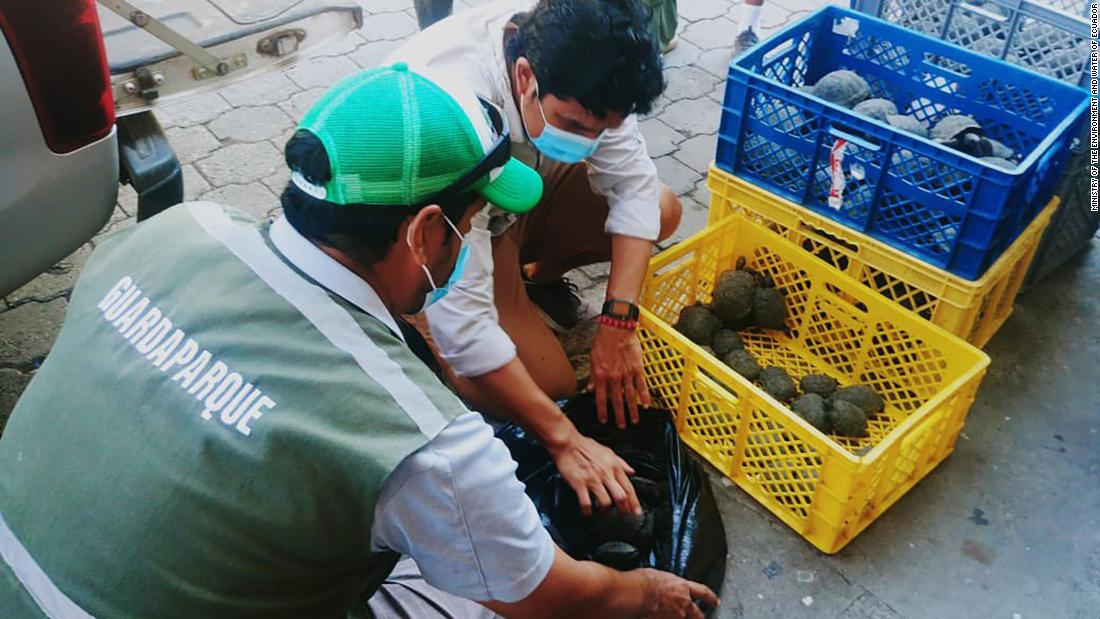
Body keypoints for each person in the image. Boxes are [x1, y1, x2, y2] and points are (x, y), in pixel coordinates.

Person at [0, 64, 718, 619]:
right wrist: (639, 593)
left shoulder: (172, 230)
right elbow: (544, 595)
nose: (468, 241)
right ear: (425, 232)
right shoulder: (423, 440)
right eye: (469, 226)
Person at [388, 0, 682, 518]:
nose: (590, 141)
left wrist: (618, 325)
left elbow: (634, 189)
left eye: (603, 129)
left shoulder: (580, 60)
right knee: (551, 390)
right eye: (574, 122)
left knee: (662, 208)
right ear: (524, 75)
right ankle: (415, 320)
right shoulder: (457, 107)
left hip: (510, 193)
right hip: (437, 233)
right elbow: (466, 328)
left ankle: (533, 279)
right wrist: (564, 440)